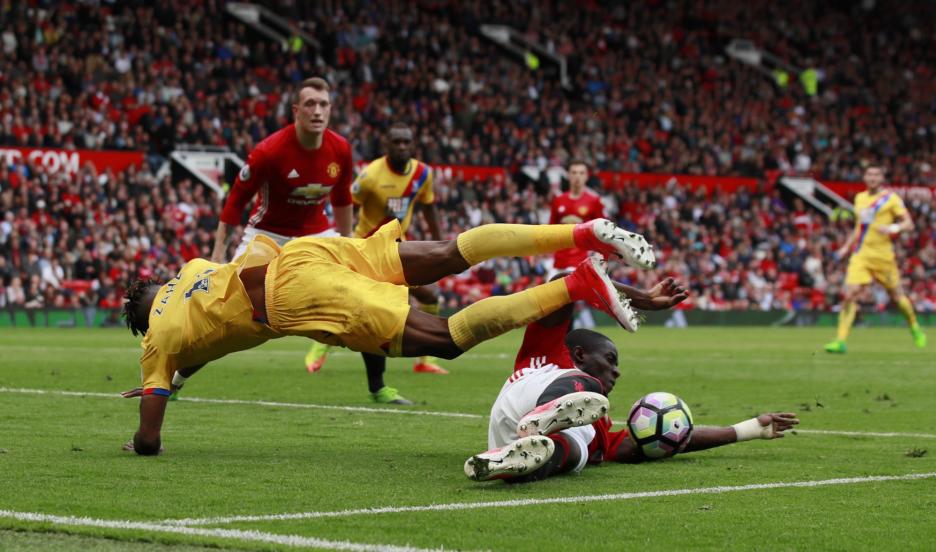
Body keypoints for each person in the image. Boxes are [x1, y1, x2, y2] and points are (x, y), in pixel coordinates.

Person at [121, 218, 656, 455]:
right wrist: (179, 373)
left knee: (445, 337)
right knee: (447, 252)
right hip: (308, 252)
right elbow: (201, 340)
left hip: (294, 298)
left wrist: (153, 400)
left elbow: (150, 436)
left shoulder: (156, 341)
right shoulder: (189, 270)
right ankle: (581, 235)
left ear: (142, 325)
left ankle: (575, 284)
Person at [465, 282, 799, 482]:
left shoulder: (598, 423)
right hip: (531, 395)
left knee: (578, 452)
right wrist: (638, 298)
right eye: (610, 360)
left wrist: (750, 429)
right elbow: (564, 284)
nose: (617, 372)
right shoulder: (552, 351)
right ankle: (544, 415)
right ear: (580, 353)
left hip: (507, 439)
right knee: (589, 394)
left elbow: (668, 438)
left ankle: (512, 464)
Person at [207, 76, 360, 388]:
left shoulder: (341, 149)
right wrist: (217, 255)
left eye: (324, 105)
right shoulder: (269, 152)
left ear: (331, 110)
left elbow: (343, 199)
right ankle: (178, 375)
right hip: (267, 234)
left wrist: (349, 246)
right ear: (296, 110)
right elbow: (235, 202)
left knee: (363, 286)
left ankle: (366, 375)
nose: (317, 111)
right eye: (310, 104)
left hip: (317, 235)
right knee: (223, 311)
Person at [306, 123, 448, 407]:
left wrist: (439, 245)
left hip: (397, 248)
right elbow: (345, 201)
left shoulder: (423, 174)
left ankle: (422, 362)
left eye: (406, 142)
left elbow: (429, 208)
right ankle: (324, 342)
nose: (402, 147)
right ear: (386, 145)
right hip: (366, 250)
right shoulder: (370, 175)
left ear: (413, 144)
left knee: (430, 295)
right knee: (371, 314)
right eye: (396, 142)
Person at [824, 165, 926, 354]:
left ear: (882, 178)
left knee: (897, 297)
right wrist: (846, 248)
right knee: (850, 294)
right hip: (861, 255)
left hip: (883, 257)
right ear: (864, 177)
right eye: (869, 174)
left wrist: (893, 228)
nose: (872, 178)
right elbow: (859, 228)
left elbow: (908, 223)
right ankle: (840, 341)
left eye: (876, 174)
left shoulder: (891, 199)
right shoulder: (860, 198)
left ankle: (914, 326)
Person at [549, 160, 606, 330]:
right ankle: (558, 339)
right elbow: (549, 230)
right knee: (551, 303)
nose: (577, 177)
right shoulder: (559, 201)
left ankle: (569, 337)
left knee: (568, 302)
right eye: (574, 173)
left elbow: (602, 231)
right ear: (568, 175)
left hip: (579, 260)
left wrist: (601, 255)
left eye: (581, 173)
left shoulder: (593, 201)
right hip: (558, 261)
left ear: (587, 176)